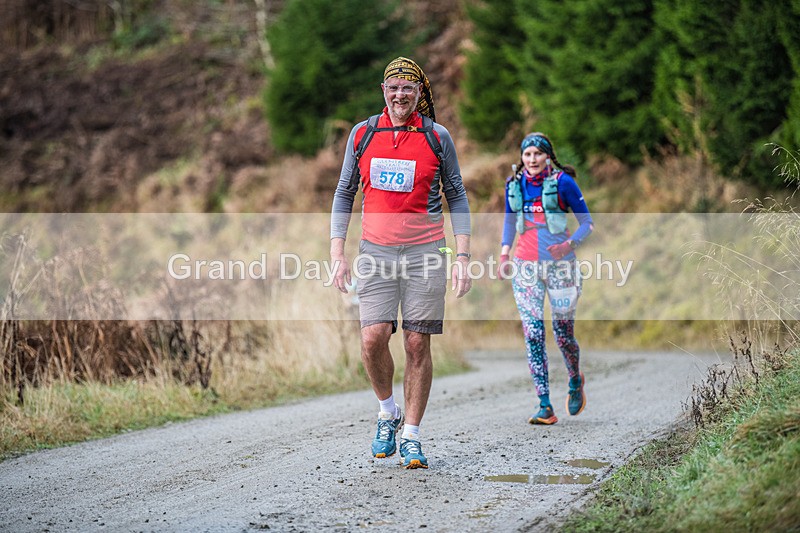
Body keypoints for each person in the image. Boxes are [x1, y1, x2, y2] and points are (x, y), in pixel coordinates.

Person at [330, 57, 472, 469]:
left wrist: (462, 255)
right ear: (383, 90)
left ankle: (411, 436)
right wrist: (337, 253)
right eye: (393, 87)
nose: (400, 95)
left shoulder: (436, 136)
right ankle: (387, 411)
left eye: (408, 88)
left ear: (418, 93)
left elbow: (457, 195)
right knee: (372, 338)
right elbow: (344, 193)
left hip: (426, 252)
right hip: (375, 252)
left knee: (415, 343)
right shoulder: (363, 133)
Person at [497, 132, 593, 425]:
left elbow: (587, 223)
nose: (532, 159)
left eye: (538, 154)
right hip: (526, 267)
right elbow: (510, 221)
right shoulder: (514, 185)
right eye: (527, 155)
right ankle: (544, 405)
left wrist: (569, 245)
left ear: (548, 156)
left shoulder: (563, 182)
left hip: (561, 267)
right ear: (522, 158)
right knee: (533, 332)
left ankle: (575, 379)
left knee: (563, 335)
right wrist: (504, 254)